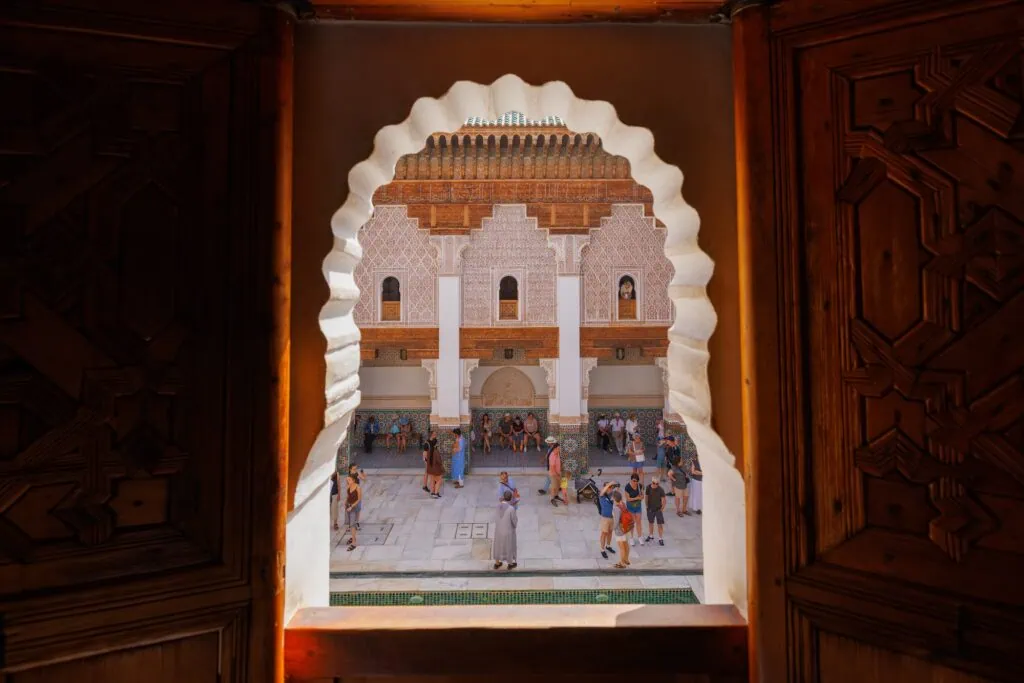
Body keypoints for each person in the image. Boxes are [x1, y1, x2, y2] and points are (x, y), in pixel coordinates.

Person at [492, 490, 518, 570]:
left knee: (498, 545)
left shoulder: (497, 506)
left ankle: (497, 563)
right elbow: (514, 521)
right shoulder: (511, 509)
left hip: (499, 530)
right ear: (510, 498)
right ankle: (510, 564)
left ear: (503, 497)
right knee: (509, 547)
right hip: (508, 531)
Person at [611, 489, 633, 568]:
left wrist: (612, 529)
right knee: (626, 544)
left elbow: (616, 521)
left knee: (621, 547)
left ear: (614, 498)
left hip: (620, 530)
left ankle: (622, 563)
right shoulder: (623, 504)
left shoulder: (616, 508)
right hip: (626, 528)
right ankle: (626, 559)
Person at [597, 481, 617, 560]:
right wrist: (609, 484)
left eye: (610, 487)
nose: (609, 488)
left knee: (610, 532)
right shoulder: (601, 495)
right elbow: (602, 491)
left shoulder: (612, 495)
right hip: (605, 518)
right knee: (604, 533)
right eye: (608, 487)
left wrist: (615, 487)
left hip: (612, 517)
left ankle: (608, 546)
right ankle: (602, 549)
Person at [644, 476, 667, 546]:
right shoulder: (648, 487)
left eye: (657, 484)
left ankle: (660, 538)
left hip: (658, 509)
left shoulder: (661, 490)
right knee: (650, 522)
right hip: (650, 509)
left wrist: (661, 509)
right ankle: (651, 535)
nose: (655, 485)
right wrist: (647, 506)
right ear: (652, 482)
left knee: (659, 524)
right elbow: (646, 497)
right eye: (654, 483)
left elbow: (664, 500)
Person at [623, 473, 644, 546]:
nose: (634, 482)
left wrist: (641, 497)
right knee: (632, 522)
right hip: (630, 506)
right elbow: (628, 499)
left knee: (638, 521)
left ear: (638, 481)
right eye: (633, 480)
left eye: (635, 481)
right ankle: (631, 538)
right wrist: (637, 498)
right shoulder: (627, 487)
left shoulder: (639, 486)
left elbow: (642, 496)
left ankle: (640, 537)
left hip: (638, 506)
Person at [343, 473, 362, 551]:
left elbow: (359, 499)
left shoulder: (358, 487)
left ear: (353, 480)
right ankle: (352, 537)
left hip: (353, 507)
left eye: (349, 480)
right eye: (347, 480)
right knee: (349, 525)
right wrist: (345, 502)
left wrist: (351, 506)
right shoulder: (348, 486)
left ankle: (354, 542)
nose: (348, 481)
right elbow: (348, 496)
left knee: (352, 525)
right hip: (348, 506)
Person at [425, 432, 444, 498]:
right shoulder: (436, 451)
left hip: (431, 468)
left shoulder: (429, 451)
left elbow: (426, 459)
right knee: (439, 480)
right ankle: (436, 493)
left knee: (433, 480)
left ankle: (433, 492)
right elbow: (439, 461)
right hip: (436, 468)